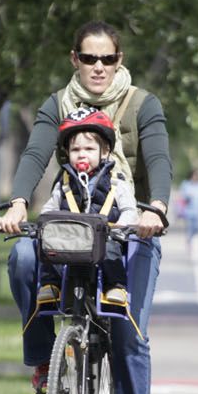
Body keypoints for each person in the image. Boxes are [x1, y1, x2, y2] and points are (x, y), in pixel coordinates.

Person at [0, 21, 173, 394]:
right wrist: (16, 202)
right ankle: (43, 360)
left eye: (107, 59)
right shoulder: (58, 103)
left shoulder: (142, 104)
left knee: (129, 332)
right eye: (89, 59)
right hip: (69, 225)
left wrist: (156, 209)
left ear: (118, 60)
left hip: (127, 229)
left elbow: (158, 161)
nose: (98, 68)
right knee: (23, 260)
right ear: (75, 59)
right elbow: (35, 154)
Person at [33, 108, 137, 314]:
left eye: (89, 149)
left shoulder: (116, 183)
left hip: (103, 238)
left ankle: (115, 286)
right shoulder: (63, 183)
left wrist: (123, 225)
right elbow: (49, 209)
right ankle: (51, 285)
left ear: (104, 151)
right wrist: (41, 223)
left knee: (111, 248)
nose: (82, 154)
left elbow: (129, 210)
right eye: (75, 150)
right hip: (71, 240)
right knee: (51, 247)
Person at [174, 168, 198, 252]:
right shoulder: (186, 184)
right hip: (188, 211)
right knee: (190, 228)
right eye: (195, 175)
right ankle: (189, 242)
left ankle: (191, 238)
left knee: (197, 228)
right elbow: (181, 196)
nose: (196, 177)